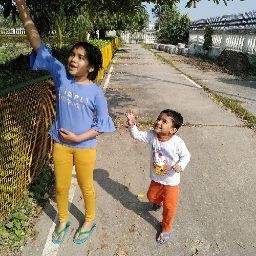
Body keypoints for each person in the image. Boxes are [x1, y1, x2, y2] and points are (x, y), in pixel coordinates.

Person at [16, 0, 115, 245]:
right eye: (73, 54)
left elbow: (101, 125)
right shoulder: (61, 75)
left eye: (81, 58)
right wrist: (21, 8)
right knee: (60, 187)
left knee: (86, 186)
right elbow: (36, 42)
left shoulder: (95, 93)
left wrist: (78, 138)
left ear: (90, 67)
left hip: (84, 148)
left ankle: (89, 218)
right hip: (60, 143)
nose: (73, 59)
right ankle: (62, 219)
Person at [125, 109, 191, 244]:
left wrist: (180, 165)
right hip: (156, 178)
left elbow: (186, 156)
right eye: (158, 118)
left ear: (172, 130)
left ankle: (166, 228)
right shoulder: (152, 136)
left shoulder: (177, 143)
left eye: (164, 121)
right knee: (152, 197)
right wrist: (132, 125)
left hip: (171, 182)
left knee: (169, 207)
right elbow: (137, 135)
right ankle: (158, 202)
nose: (158, 122)